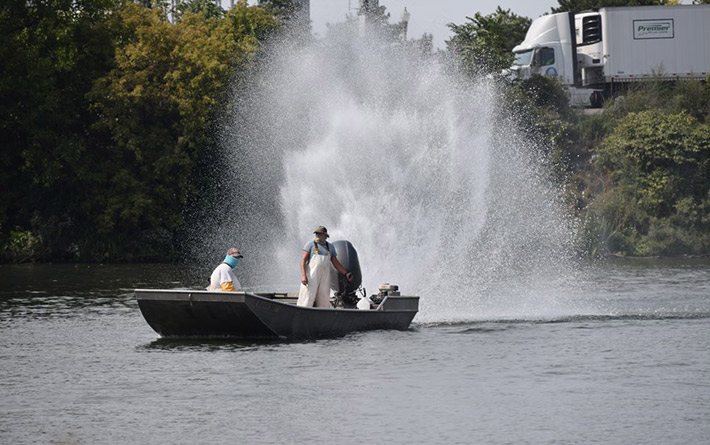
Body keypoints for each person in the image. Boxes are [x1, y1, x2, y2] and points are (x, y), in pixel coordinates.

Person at [297, 226, 353, 308]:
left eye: (320, 234)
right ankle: (302, 311)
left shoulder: (330, 247)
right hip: (311, 277)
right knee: (307, 296)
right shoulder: (310, 245)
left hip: (325, 277)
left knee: (324, 297)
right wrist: (303, 276)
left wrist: (346, 273)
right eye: (317, 234)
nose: (317, 236)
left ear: (325, 236)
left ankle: (323, 314)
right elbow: (303, 260)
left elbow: (335, 263)